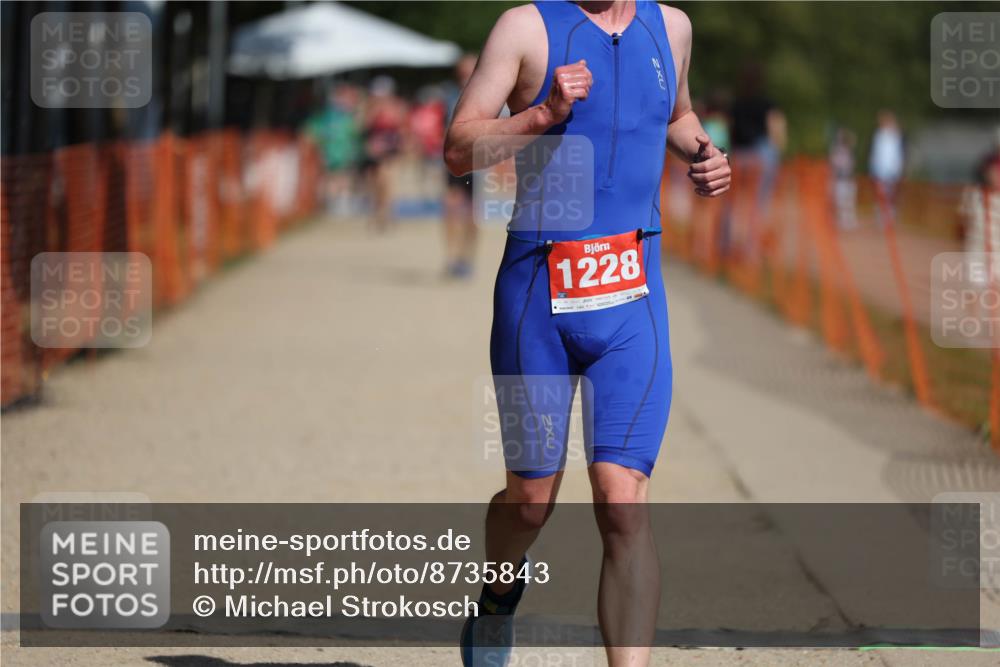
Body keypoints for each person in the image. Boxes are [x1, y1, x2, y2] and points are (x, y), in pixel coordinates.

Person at [443, 2, 731, 666]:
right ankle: (498, 589)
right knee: (529, 502)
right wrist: (542, 115)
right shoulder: (525, 28)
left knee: (622, 500)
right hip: (536, 300)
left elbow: (678, 114)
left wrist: (706, 154)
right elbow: (459, 146)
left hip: (633, 297)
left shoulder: (674, 28)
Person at [443, 54, 480, 278]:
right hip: (455, 160)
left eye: (468, 71)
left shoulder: (490, 94)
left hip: (479, 162)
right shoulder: (449, 96)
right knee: (450, 207)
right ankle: (452, 256)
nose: (464, 76)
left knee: (472, 214)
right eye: (461, 72)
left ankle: (467, 258)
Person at [362, 75, 407, 233]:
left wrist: (403, 146)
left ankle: (385, 213)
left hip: (389, 149)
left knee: (386, 180)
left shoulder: (396, 106)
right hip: (374, 150)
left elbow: (402, 126)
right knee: (374, 183)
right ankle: (379, 212)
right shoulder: (370, 106)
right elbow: (362, 126)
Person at [868, 109, 905, 226]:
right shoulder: (878, 135)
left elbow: (898, 154)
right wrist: (873, 167)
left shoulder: (896, 136)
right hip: (880, 169)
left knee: (891, 194)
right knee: (880, 193)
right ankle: (880, 217)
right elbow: (876, 153)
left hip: (892, 170)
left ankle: (890, 216)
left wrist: (898, 168)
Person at [829, 127, 858, 230]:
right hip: (840, 179)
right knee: (841, 202)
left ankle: (847, 220)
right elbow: (835, 166)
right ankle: (842, 220)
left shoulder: (849, 152)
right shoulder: (837, 151)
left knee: (848, 201)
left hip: (847, 179)